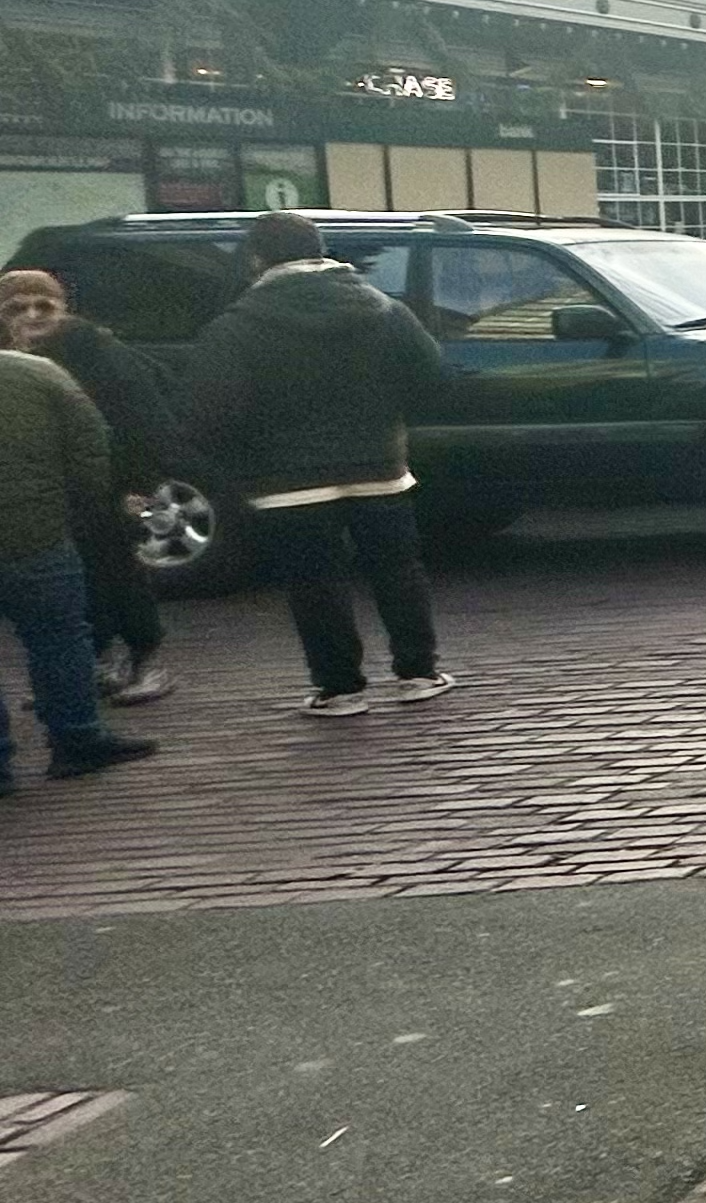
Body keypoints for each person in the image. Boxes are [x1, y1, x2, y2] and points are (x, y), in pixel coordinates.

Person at [180, 210, 454, 717]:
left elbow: (210, 411)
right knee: (397, 570)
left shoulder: (236, 325)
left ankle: (340, 689)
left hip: (286, 481)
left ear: (257, 258)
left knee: (314, 581)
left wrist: (242, 463)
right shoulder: (384, 309)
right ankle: (418, 672)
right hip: (378, 467)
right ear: (320, 248)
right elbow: (433, 377)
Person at [0, 266, 175, 704]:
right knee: (69, 581)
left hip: (108, 481)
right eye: (17, 308)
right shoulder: (11, 358)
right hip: (43, 489)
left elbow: (145, 419)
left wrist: (140, 483)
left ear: (64, 308)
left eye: (45, 305)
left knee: (117, 567)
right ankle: (91, 665)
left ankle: (146, 660)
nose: (33, 315)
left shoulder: (97, 350)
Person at [0, 344, 155, 782]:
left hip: (36, 528)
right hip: (36, 532)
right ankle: (77, 740)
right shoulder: (41, 374)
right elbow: (91, 449)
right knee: (59, 638)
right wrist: (78, 510)